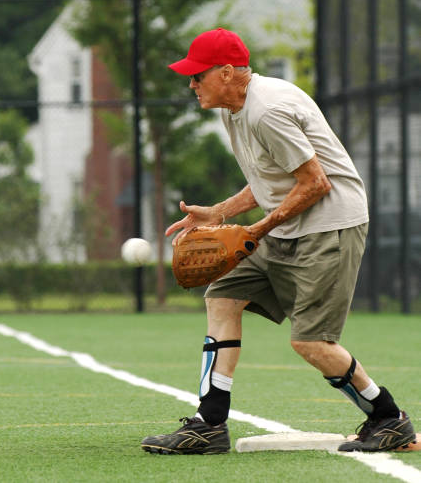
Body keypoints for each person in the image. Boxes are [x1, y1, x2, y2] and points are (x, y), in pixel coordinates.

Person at [141, 28, 416, 455]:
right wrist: (221, 212)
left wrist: (255, 231)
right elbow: (269, 180)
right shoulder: (232, 110)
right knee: (223, 296)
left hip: (329, 225)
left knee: (311, 342)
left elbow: (315, 183)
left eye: (198, 75)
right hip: (288, 224)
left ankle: (387, 418)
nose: (192, 84)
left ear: (228, 73)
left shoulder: (266, 110)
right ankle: (209, 424)